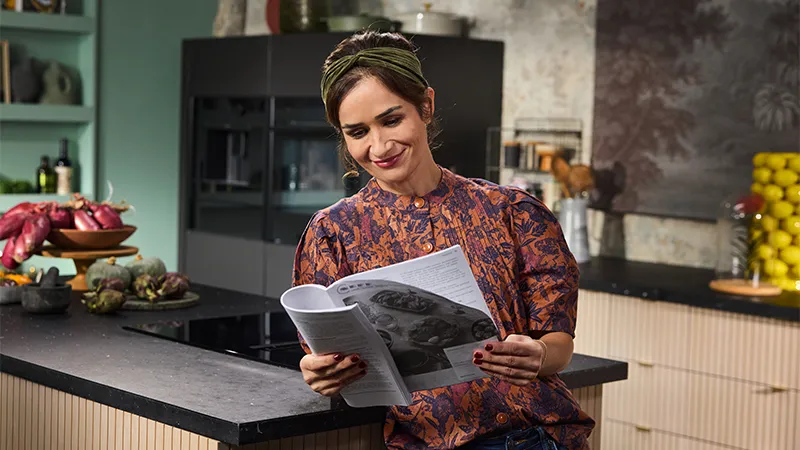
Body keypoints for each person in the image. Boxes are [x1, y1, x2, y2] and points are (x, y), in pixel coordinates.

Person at [291, 30, 594, 450]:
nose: (379, 146)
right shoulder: (331, 233)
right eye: (358, 132)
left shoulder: (513, 211)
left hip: (529, 438)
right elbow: (322, 354)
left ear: (426, 106)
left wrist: (539, 355)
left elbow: (559, 343)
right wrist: (318, 371)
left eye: (391, 120)